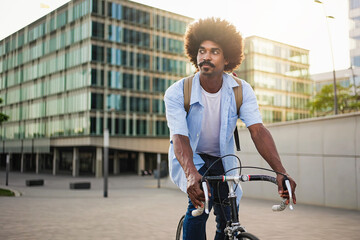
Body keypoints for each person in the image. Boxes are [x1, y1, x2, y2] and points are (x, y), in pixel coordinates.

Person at [164, 17, 297, 240]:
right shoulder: (177, 92)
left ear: (227, 59)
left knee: (229, 217)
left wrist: (280, 171)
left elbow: (258, 131)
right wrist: (190, 174)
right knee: (200, 206)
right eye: (201, 51)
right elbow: (179, 137)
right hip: (191, 156)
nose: (206, 56)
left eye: (214, 51)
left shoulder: (240, 90)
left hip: (223, 159)